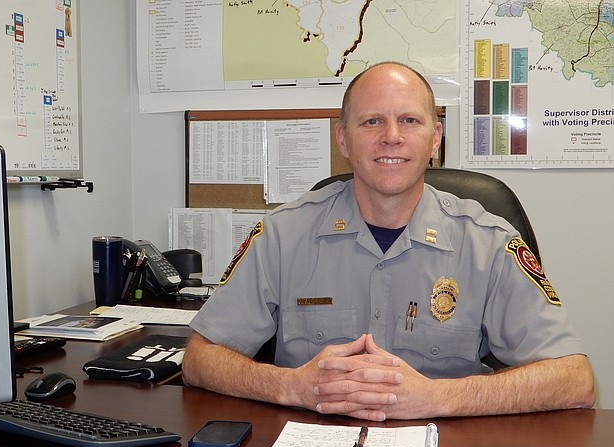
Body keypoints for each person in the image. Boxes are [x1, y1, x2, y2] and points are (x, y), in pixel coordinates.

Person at [181, 62, 595, 421]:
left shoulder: (488, 243)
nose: (391, 137)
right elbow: (199, 359)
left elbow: (574, 381)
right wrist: (290, 387)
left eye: (410, 121)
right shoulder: (282, 235)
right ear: (343, 139)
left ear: (435, 139)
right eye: (372, 121)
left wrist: (436, 396)